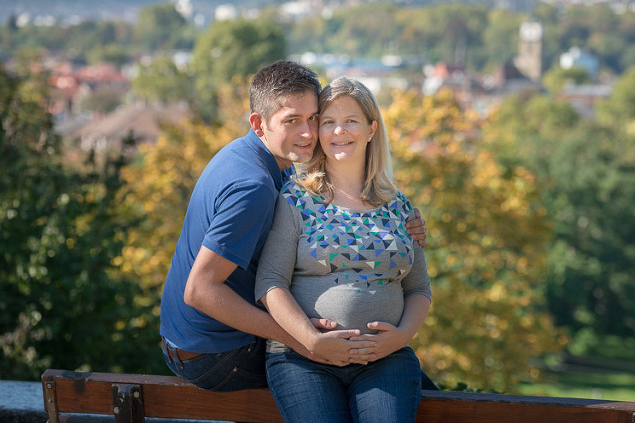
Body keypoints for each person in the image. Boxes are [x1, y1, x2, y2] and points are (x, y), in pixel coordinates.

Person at [158, 61, 429, 391]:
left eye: (313, 118)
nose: (307, 133)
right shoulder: (253, 187)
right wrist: (303, 339)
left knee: (396, 376)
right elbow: (199, 290)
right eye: (292, 121)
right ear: (259, 124)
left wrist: (403, 226)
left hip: (193, 340)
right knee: (370, 375)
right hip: (214, 352)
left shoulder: (266, 159)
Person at [255, 77, 431, 423]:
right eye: (328, 122)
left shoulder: (398, 206)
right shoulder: (295, 199)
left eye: (350, 120)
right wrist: (311, 341)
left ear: (371, 129)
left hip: (384, 360)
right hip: (303, 359)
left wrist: (399, 339)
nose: (339, 131)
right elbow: (270, 283)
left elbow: (419, 289)